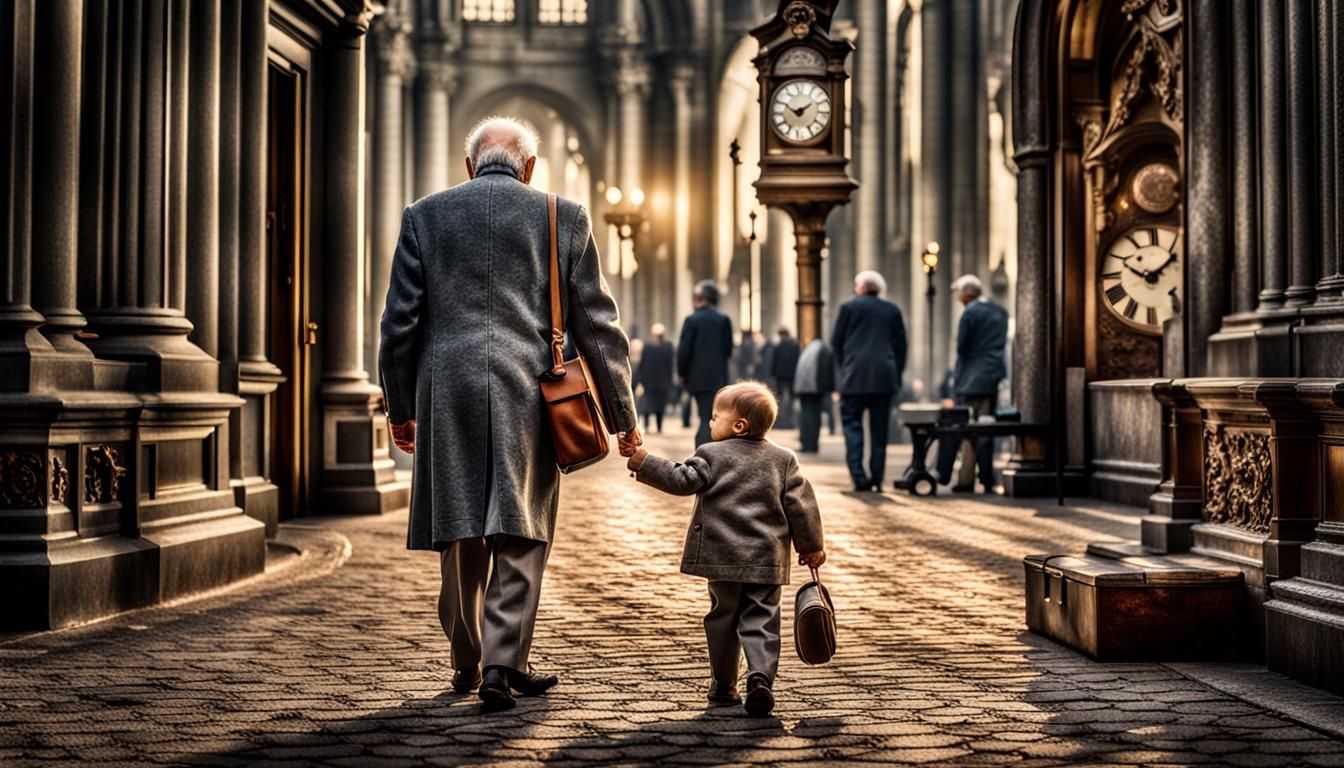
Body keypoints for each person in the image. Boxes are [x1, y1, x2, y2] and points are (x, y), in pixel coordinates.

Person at [379, 116, 639, 713]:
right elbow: (597, 325)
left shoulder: (423, 216)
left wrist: (400, 406)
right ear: (530, 168)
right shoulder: (563, 216)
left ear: (470, 166)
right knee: (520, 524)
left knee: (459, 522)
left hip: (446, 389)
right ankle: (503, 663)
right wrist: (622, 413)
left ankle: (467, 655)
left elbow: (399, 323)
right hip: (529, 389)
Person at [618, 383, 825, 718]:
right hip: (766, 562)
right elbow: (801, 506)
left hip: (721, 559)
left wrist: (642, 460)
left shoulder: (710, 454)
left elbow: (681, 480)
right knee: (761, 619)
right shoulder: (784, 460)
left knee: (723, 619)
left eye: (715, 417)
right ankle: (759, 677)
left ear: (739, 425)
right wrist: (812, 547)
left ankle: (724, 684)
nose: (710, 422)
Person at [830, 270, 908, 492]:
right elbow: (901, 347)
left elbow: (836, 342)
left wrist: (844, 369)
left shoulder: (847, 308)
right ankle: (877, 478)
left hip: (853, 377)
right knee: (879, 431)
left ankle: (859, 478)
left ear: (860, 287)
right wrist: (896, 373)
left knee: (852, 427)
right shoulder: (892, 310)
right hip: (884, 378)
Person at [936, 274, 1009, 492]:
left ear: (968, 293)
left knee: (966, 429)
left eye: (959, 292)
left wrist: (956, 380)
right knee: (985, 428)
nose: (959, 297)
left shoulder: (970, 313)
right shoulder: (999, 311)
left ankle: (966, 480)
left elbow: (962, 347)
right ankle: (986, 478)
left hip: (969, 380)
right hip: (991, 377)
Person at [677, 281, 734, 447]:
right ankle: (712, 451)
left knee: (704, 418)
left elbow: (684, 351)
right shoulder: (724, 320)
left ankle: (703, 453)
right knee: (712, 416)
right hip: (718, 378)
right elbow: (728, 350)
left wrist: (682, 373)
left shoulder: (692, 320)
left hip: (697, 379)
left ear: (700, 298)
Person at [793, 338, 835, 453]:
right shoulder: (823, 349)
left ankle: (808, 444)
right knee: (813, 417)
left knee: (807, 416)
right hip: (813, 388)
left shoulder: (812, 349)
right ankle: (811, 445)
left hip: (806, 388)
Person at [639, 323, 675, 434]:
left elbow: (642, 365)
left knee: (648, 404)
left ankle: (647, 425)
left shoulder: (648, 347)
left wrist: (641, 380)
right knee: (660, 405)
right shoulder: (668, 346)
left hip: (649, 382)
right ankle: (659, 427)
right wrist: (669, 381)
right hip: (662, 381)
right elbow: (670, 366)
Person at [770, 325, 800, 429]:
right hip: (792, 375)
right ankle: (791, 422)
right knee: (791, 399)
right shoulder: (795, 345)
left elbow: (774, 362)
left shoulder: (778, 345)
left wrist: (773, 374)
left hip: (780, 376)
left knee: (780, 399)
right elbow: (797, 360)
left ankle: (781, 422)